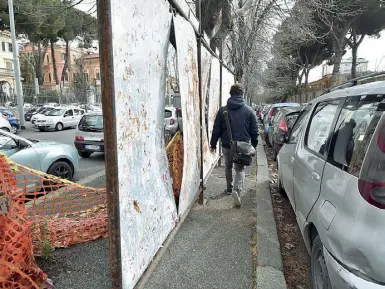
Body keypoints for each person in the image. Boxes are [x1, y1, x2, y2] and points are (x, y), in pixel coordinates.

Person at [210, 83, 258, 207]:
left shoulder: (223, 110)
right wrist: (254, 144)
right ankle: (237, 190)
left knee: (228, 166)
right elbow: (254, 130)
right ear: (242, 95)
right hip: (243, 146)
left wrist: (213, 144)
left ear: (230, 94)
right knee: (240, 169)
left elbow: (217, 129)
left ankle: (229, 188)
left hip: (227, 144)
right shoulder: (249, 110)